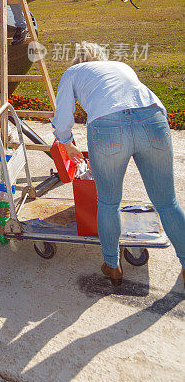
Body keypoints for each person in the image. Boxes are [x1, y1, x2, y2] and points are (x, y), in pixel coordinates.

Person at [52, 42, 185, 287]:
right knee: (167, 202)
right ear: (101, 57)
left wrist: (67, 142)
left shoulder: (73, 73)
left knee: (109, 202)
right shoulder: (121, 65)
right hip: (153, 119)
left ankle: (112, 266)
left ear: (77, 60)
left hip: (107, 127)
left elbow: (63, 115)